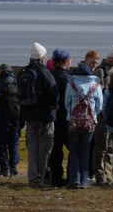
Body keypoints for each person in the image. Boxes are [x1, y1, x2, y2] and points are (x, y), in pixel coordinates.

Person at [19, 42, 58, 188]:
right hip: (44, 117)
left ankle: (32, 178)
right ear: (42, 56)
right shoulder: (45, 73)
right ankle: (39, 178)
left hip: (29, 116)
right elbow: (54, 94)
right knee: (44, 149)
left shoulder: (23, 72)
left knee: (33, 149)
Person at [65, 50, 103, 189]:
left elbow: (66, 103)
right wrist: (92, 116)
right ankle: (84, 181)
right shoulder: (96, 85)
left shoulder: (71, 83)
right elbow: (100, 106)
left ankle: (74, 180)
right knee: (86, 151)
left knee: (74, 150)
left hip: (73, 121)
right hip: (89, 122)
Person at [91, 43, 113, 185]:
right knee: (101, 146)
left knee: (110, 146)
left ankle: (108, 174)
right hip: (102, 114)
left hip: (112, 114)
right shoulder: (100, 71)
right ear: (111, 57)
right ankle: (100, 175)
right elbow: (97, 91)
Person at [48, 49, 72, 187]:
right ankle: (71, 176)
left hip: (53, 117)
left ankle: (56, 177)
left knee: (56, 150)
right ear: (66, 61)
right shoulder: (67, 78)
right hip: (65, 117)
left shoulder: (50, 76)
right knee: (73, 148)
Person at [0, 64, 22, 177]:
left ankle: (5, 168)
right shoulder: (16, 84)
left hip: (1, 119)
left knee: (1, 144)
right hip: (16, 119)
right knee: (14, 144)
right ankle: (13, 168)